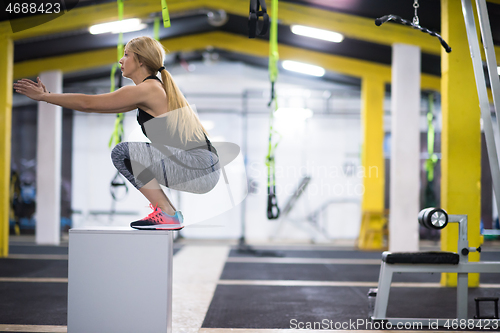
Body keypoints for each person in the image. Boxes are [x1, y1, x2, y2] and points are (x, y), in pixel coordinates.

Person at [13, 36, 220, 230]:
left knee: (122, 153)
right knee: (128, 153)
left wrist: (45, 96)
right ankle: (169, 213)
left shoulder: (147, 89)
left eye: (127, 54)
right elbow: (96, 106)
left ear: (140, 61)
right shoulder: (152, 89)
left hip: (199, 166)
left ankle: (168, 213)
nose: (121, 60)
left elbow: (88, 103)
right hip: (204, 168)